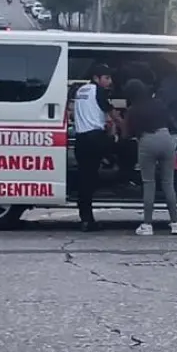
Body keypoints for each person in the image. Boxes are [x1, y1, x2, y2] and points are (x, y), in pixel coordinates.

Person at [122, 79, 177, 235]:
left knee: (149, 184)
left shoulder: (133, 109)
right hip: (166, 138)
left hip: (147, 142)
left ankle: (147, 225)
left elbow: (126, 134)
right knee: (168, 183)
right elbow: (174, 124)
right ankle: (175, 224)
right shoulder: (159, 103)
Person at [73, 63, 117, 232]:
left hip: (81, 139)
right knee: (125, 149)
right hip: (95, 138)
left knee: (85, 179)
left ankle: (85, 218)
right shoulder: (98, 91)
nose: (110, 81)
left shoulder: (80, 90)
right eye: (106, 78)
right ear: (96, 78)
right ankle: (121, 182)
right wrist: (121, 124)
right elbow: (110, 112)